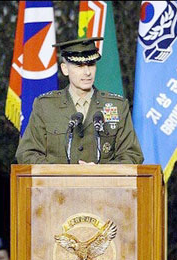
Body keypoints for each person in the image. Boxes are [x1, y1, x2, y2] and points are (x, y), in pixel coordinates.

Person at [16, 37, 144, 165]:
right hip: (57, 184)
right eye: (79, 66)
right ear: (65, 69)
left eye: (91, 64)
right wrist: (59, 174)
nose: (87, 72)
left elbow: (132, 155)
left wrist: (100, 171)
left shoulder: (118, 106)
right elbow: (27, 153)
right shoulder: (45, 106)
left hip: (102, 184)